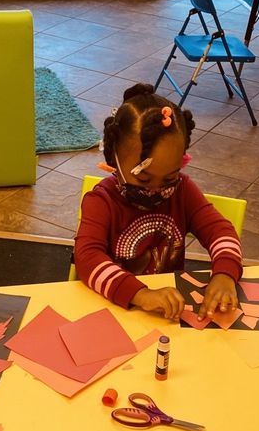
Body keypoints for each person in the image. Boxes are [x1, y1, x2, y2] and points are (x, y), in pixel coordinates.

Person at [74, 83, 243, 320]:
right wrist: (141, 294)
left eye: (169, 178)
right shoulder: (101, 201)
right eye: (143, 178)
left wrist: (225, 274)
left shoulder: (182, 190)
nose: (155, 190)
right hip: (114, 311)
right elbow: (87, 258)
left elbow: (220, 231)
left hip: (166, 316)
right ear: (115, 158)